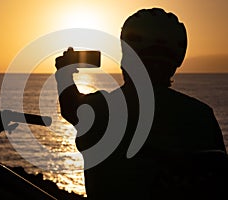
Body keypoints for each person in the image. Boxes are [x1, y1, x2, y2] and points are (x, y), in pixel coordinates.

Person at [55, 7, 227, 199]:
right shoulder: (200, 115)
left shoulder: (100, 108)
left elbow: (69, 104)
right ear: (176, 60)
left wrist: (64, 71)